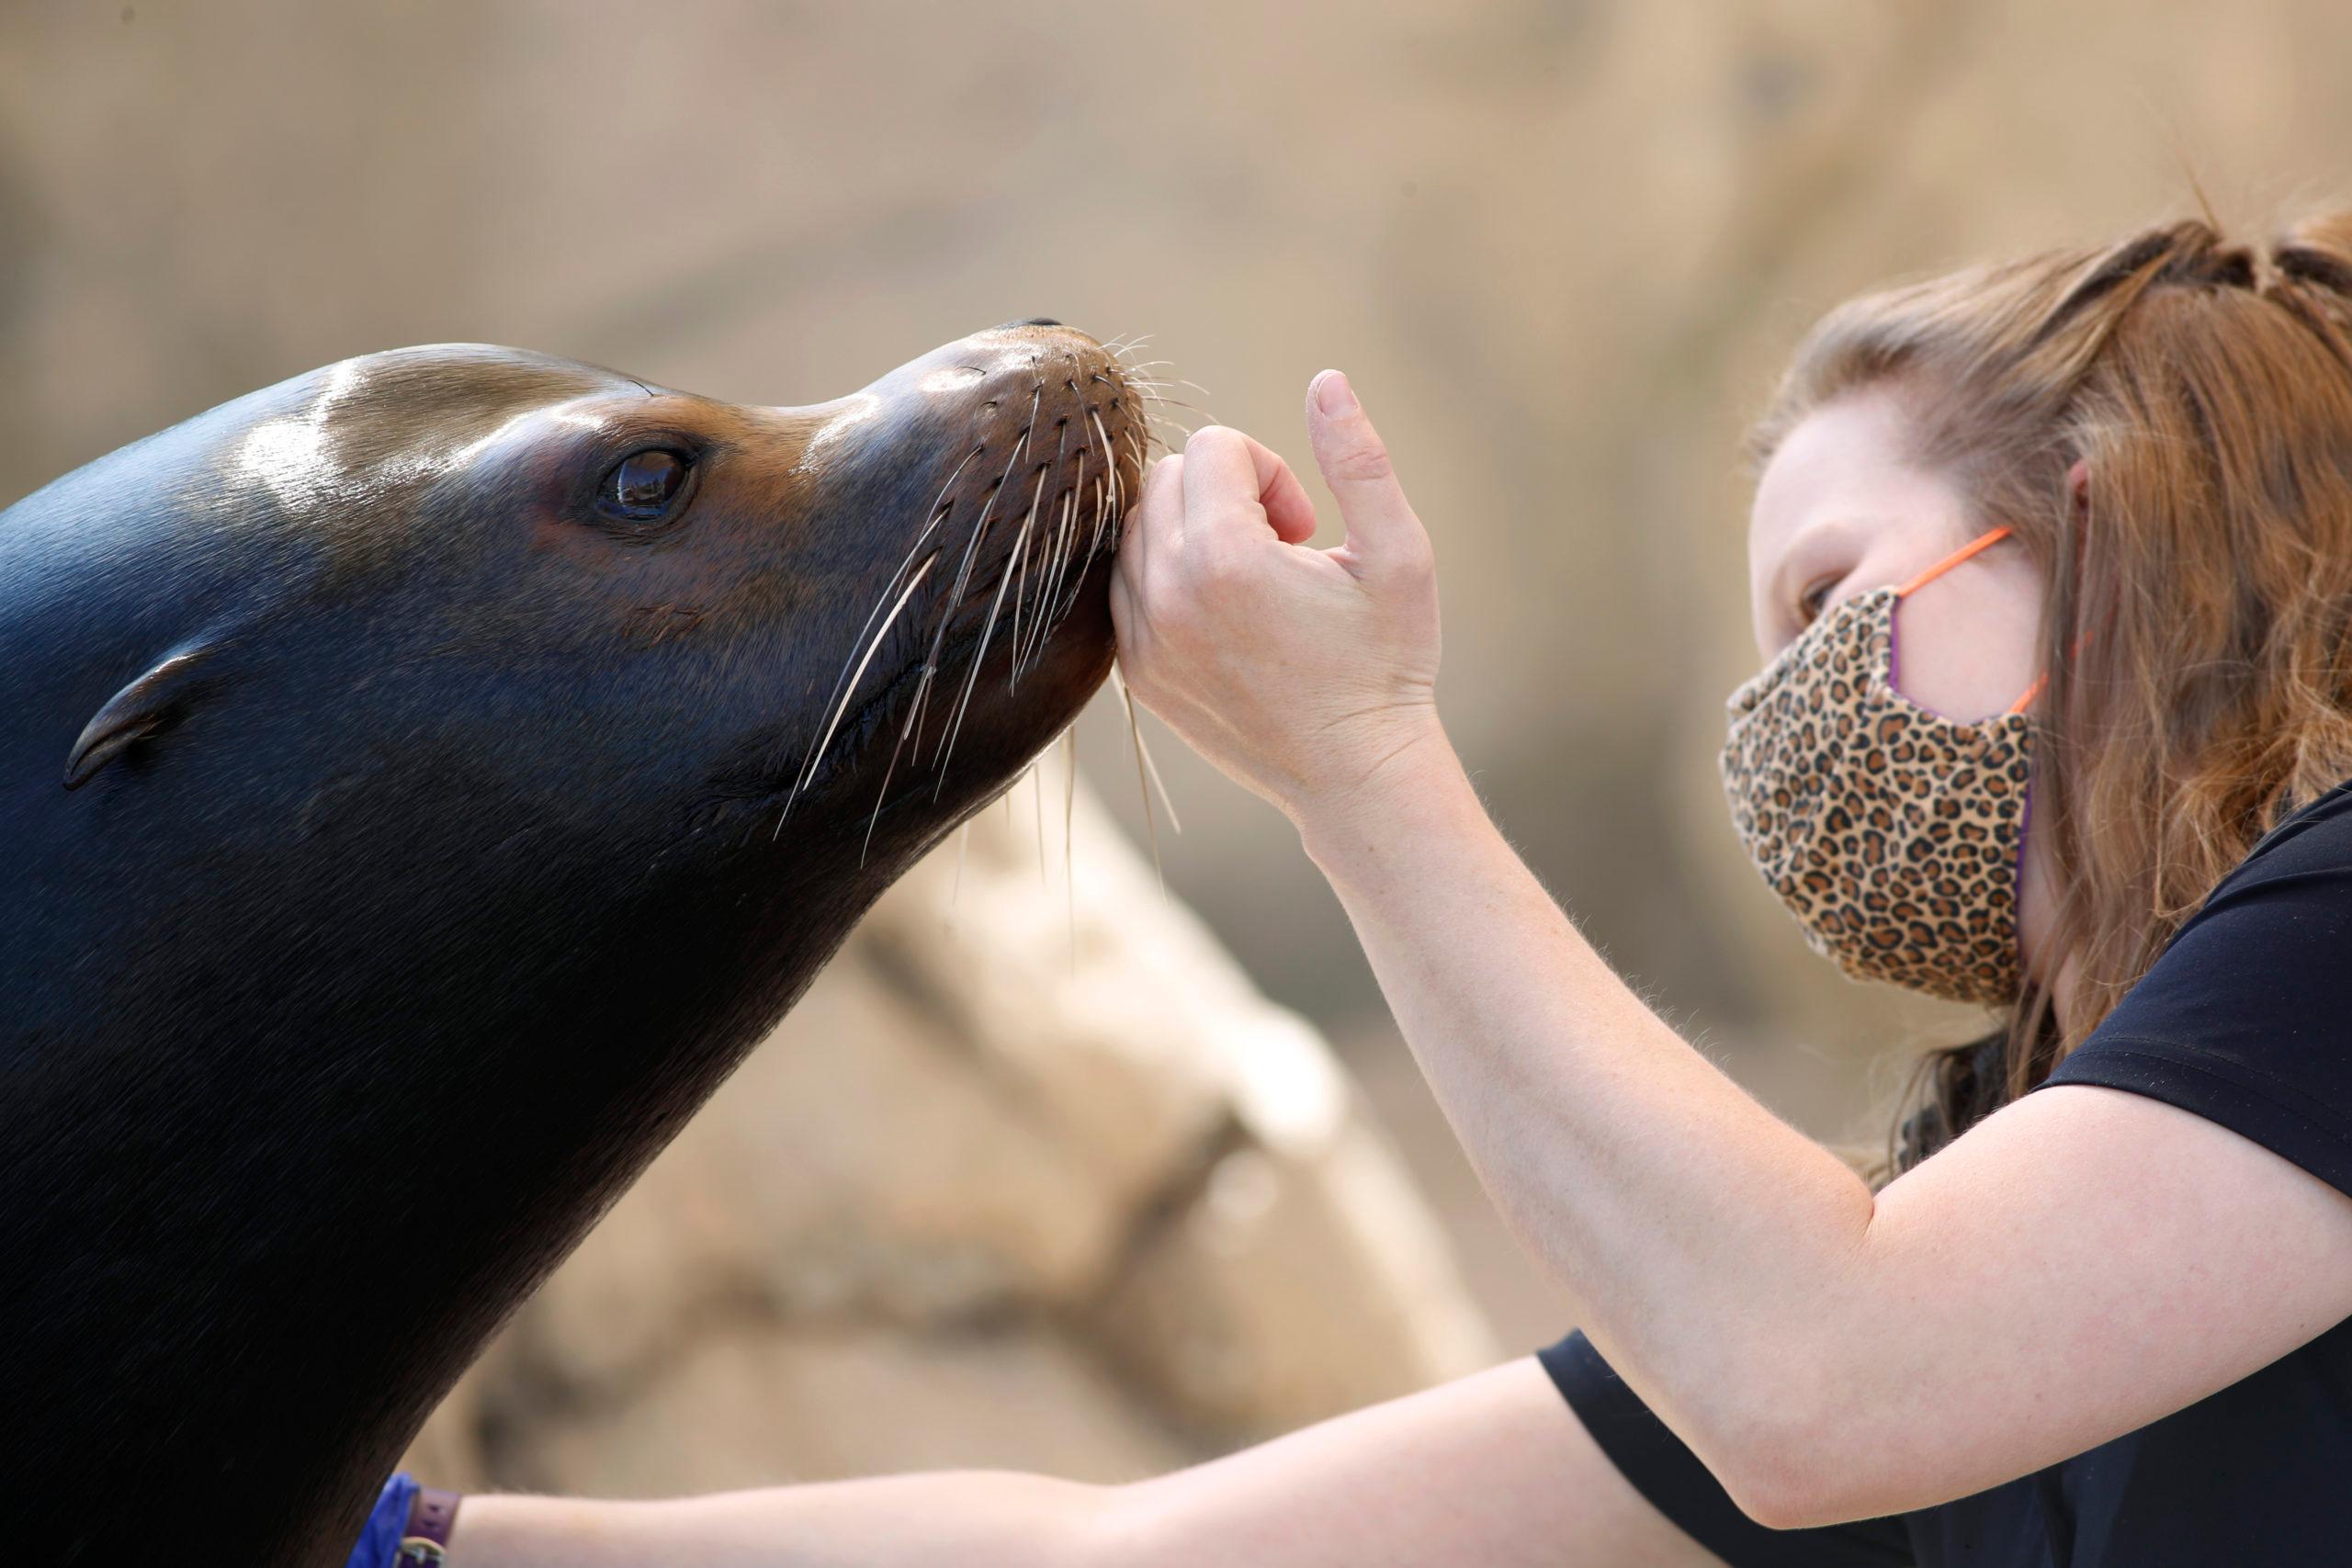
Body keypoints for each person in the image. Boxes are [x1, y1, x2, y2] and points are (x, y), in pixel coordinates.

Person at [421, 212, 2352, 1567]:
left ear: (2108, 522)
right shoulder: (1967, 1211)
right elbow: (1131, 1549)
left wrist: (1353, 760)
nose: (1780, 727)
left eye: (1829, 601)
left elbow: (1828, 1370)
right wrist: (418, 1543)